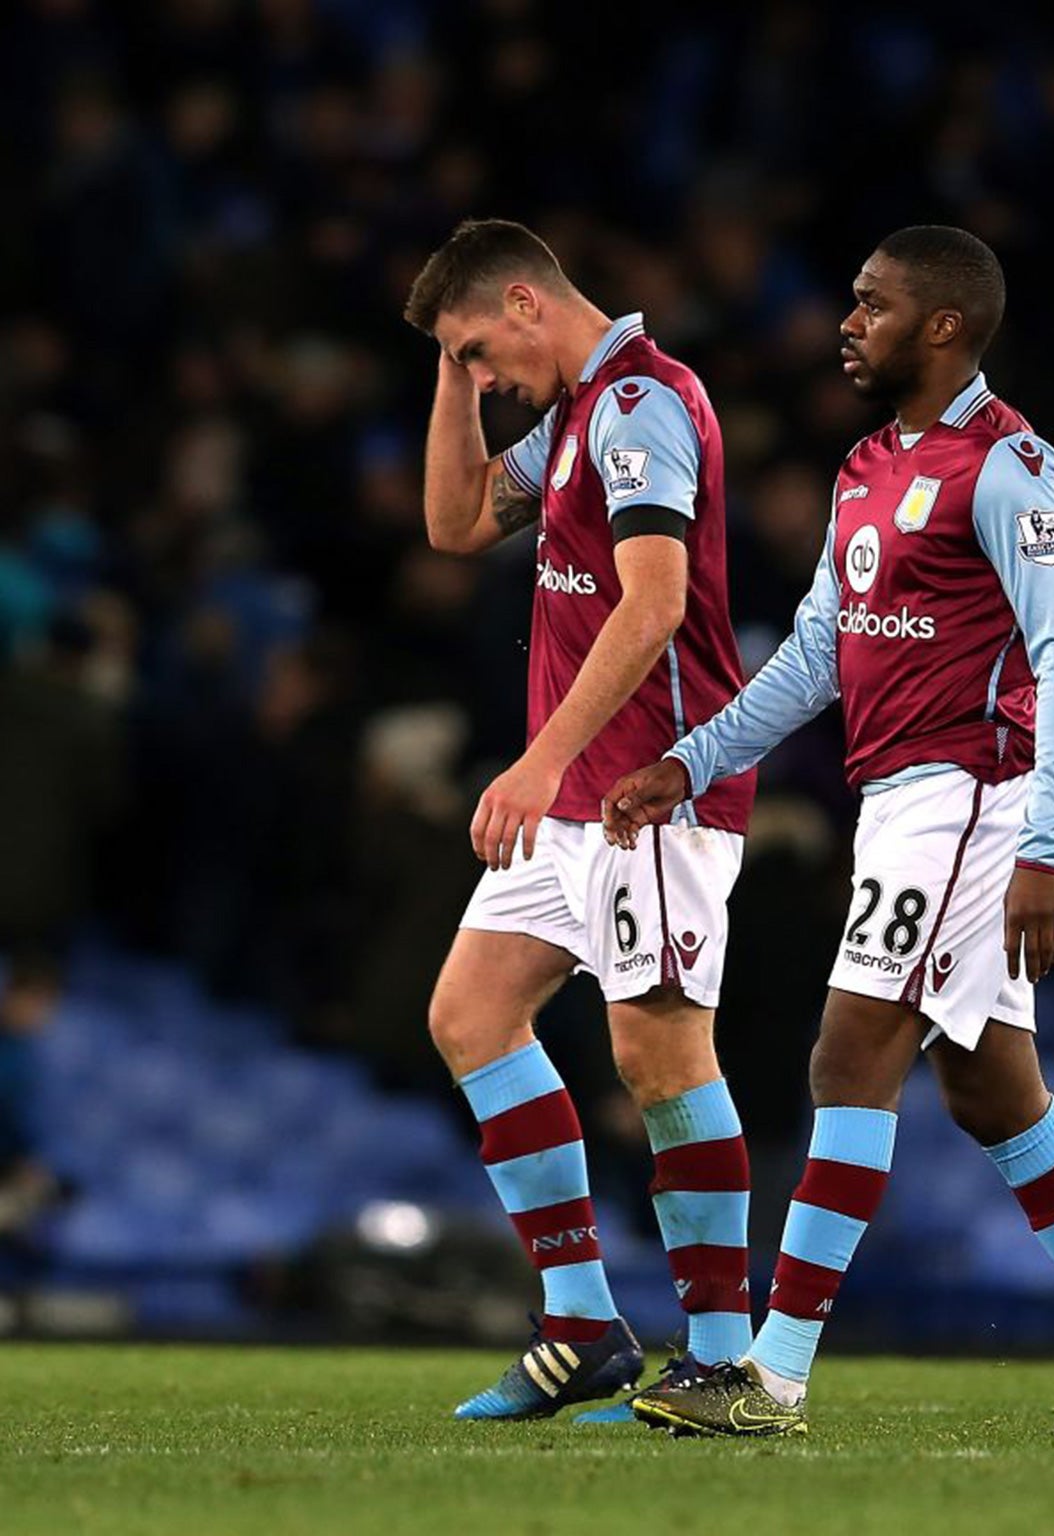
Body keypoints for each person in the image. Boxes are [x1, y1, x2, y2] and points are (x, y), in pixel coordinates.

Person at [602, 226, 1054, 1437]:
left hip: (968, 797)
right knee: (995, 1093)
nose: (847, 321)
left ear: (943, 327)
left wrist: (1049, 843)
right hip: (902, 802)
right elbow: (813, 660)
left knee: (848, 1061)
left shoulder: (1013, 470)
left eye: (872, 304)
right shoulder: (862, 471)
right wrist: (691, 760)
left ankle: (769, 1378)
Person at [402, 219, 758, 1421]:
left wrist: (541, 764)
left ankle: (721, 1355)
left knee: (659, 1055)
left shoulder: (641, 405)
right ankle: (581, 1327)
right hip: (575, 799)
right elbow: (453, 526)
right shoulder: (571, 418)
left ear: (524, 299)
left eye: (480, 352)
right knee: (471, 1012)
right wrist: (450, 372)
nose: (485, 380)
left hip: (639, 794)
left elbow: (654, 604)